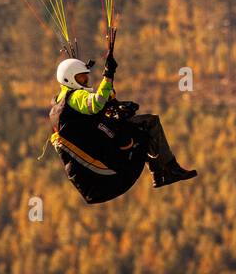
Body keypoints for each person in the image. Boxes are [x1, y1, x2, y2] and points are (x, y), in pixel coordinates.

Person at [49, 41, 197, 205]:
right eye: (81, 77)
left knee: (141, 127)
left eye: (85, 76)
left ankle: (161, 172)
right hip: (107, 163)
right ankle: (167, 171)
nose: (85, 80)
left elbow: (90, 117)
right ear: (69, 79)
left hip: (98, 153)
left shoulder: (60, 101)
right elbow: (96, 102)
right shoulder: (75, 97)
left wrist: (113, 105)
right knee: (149, 124)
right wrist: (108, 75)